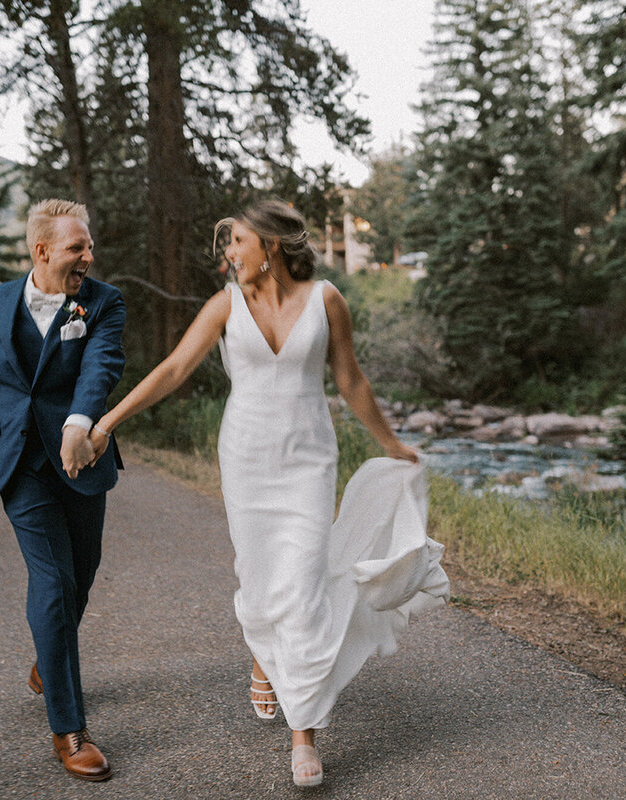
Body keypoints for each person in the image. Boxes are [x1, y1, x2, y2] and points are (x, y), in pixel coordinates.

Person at [86, 199, 448, 787]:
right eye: (227, 244)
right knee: (259, 587)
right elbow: (175, 369)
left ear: (270, 246)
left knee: (303, 583)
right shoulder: (223, 306)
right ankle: (265, 651)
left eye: (237, 243)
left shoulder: (327, 299)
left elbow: (350, 379)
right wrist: (106, 423)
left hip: (309, 461)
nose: (229, 254)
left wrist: (392, 444)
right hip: (248, 461)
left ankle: (302, 735)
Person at [0, 199, 126, 782]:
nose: (89, 256)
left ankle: (48, 655)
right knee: (54, 582)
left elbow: (101, 367)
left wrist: (80, 424)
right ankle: (69, 728)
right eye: (76, 248)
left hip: (81, 459)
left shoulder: (103, 301)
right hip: (19, 466)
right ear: (41, 251)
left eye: (89, 246)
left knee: (81, 576)